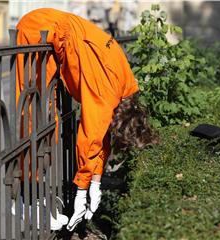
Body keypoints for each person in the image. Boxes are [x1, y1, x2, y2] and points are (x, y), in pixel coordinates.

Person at [16, 8, 158, 231]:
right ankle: (23, 199)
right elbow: (91, 137)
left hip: (55, 31)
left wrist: (96, 181)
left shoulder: (125, 87)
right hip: (37, 29)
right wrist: (82, 190)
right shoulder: (107, 93)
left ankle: (33, 194)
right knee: (33, 115)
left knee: (47, 125)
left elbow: (103, 137)